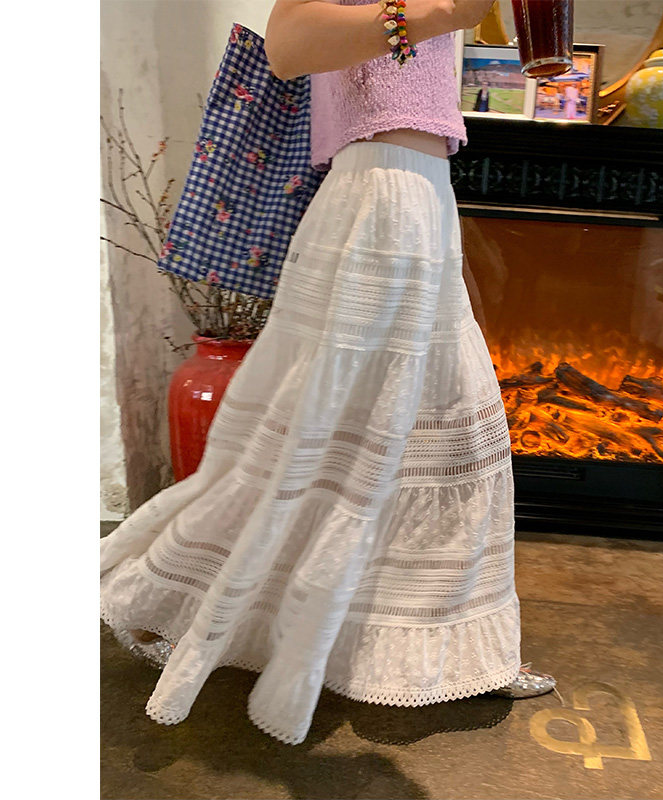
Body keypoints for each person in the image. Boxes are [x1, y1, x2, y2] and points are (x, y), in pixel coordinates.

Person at [100, 0, 556, 747]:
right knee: (380, 438)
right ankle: (233, 614)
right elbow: (288, 45)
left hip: (416, 195)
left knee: (402, 440)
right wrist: (448, 11)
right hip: (379, 198)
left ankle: (435, 647)